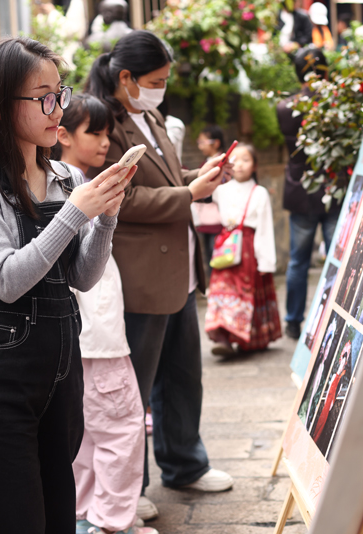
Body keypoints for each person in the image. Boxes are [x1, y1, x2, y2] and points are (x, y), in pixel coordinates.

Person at [0, 37, 133, 533]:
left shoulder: (64, 174)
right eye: (43, 97)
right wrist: (76, 213)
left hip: (57, 368)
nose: (58, 109)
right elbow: (7, 279)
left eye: (60, 93)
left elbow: (82, 277)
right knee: (11, 518)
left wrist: (106, 216)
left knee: (55, 518)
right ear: (1, 107)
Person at [85, 29, 235, 522]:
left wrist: (198, 178)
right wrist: (190, 195)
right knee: (136, 388)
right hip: (140, 272)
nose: (161, 89)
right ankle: (133, 485)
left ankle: (184, 463)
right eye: (155, 80)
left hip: (178, 268)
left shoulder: (148, 115)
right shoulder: (103, 122)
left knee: (183, 375)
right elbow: (119, 197)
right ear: (125, 77)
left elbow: (167, 183)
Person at [54, 93, 157, 534]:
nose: (103, 142)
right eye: (93, 132)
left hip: (81, 337)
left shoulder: (58, 181)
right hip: (96, 335)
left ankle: (84, 515)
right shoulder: (76, 187)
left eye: (106, 134)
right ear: (62, 135)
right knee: (120, 431)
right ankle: (111, 522)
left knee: (86, 436)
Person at [277, 46, 340, 340]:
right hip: (331, 188)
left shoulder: (284, 107)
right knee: (336, 259)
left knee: (298, 261)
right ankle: (335, 316)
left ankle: (292, 321)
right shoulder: (337, 103)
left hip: (300, 188)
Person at [205, 143, 280, 355]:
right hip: (226, 246)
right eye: (235, 159)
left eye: (246, 160)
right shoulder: (221, 189)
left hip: (248, 248)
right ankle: (222, 336)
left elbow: (264, 228)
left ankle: (246, 337)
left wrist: (266, 261)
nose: (239, 165)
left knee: (244, 291)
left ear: (255, 165)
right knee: (222, 289)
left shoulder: (260, 193)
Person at [192, 124, 225, 278]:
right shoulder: (205, 164)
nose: (200, 146)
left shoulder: (224, 164)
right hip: (205, 219)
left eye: (202, 142)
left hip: (220, 219)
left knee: (218, 254)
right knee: (208, 254)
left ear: (215, 143)